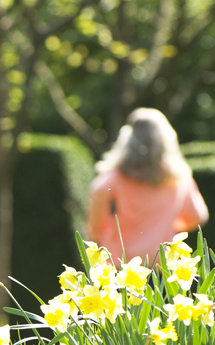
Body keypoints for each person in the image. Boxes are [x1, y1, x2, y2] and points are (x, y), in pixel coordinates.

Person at [85, 108, 208, 265]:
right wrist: (165, 224)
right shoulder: (179, 176)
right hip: (163, 264)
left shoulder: (116, 177)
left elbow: (95, 221)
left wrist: (100, 234)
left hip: (121, 265)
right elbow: (197, 217)